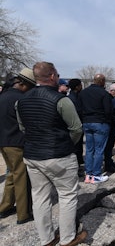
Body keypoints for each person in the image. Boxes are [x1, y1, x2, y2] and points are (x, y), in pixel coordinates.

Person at [16, 62, 86, 246]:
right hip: (59, 155)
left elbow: (23, 128)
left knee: (39, 197)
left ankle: (46, 239)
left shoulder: (20, 101)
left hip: (32, 156)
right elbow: (77, 128)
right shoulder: (61, 100)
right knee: (67, 196)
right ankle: (67, 239)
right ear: (53, 76)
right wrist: (66, 144)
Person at [0, 68, 36, 225]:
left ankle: (5, 206)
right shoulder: (21, 99)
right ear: (24, 84)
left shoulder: (3, 96)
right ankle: (23, 213)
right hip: (16, 142)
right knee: (21, 177)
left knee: (12, 175)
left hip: (4, 141)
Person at [78, 73, 112, 184]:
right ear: (103, 82)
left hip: (87, 123)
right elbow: (108, 111)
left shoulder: (83, 93)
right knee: (99, 150)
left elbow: (79, 108)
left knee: (89, 149)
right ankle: (96, 175)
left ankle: (88, 175)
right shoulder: (104, 94)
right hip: (100, 123)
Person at [67, 79, 84, 166]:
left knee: (78, 146)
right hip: (75, 125)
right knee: (76, 146)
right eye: (80, 85)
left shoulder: (73, 97)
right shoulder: (73, 98)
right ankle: (76, 164)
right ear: (77, 87)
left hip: (76, 124)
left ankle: (79, 160)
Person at [103, 83, 115, 173]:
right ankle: (108, 165)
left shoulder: (111, 98)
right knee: (108, 146)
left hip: (111, 125)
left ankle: (110, 162)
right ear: (111, 91)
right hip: (110, 125)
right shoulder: (109, 99)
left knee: (110, 146)